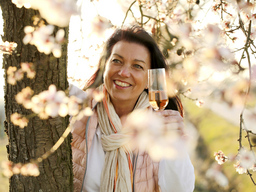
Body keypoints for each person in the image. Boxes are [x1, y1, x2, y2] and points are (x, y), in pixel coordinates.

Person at [70, 25, 195, 192]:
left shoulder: (158, 127)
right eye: (116, 61)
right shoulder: (77, 108)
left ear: (150, 79)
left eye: (137, 66)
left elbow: (180, 189)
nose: (123, 72)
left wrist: (174, 144)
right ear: (105, 65)